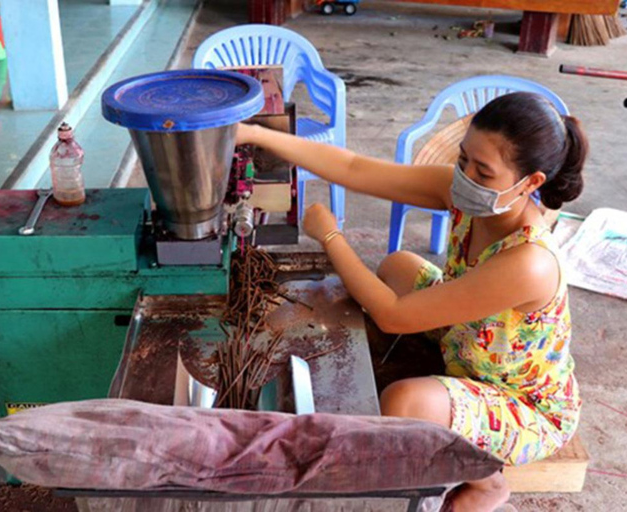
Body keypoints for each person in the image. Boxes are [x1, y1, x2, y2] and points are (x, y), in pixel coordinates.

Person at [236, 92, 588, 512]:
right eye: (463, 160)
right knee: (399, 265)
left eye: (483, 172)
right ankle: (447, 392)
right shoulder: (466, 194)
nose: (466, 177)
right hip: (471, 342)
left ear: (530, 183)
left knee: (402, 401)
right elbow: (354, 168)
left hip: (521, 401)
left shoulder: (529, 261)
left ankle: (487, 483)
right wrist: (254, 133)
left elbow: (392, 316)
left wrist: (331, 237)